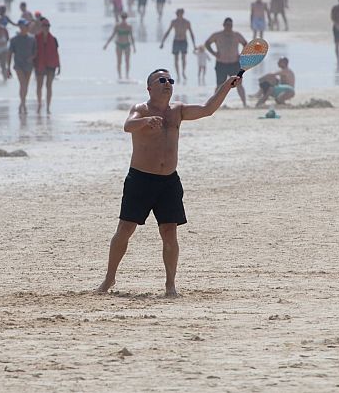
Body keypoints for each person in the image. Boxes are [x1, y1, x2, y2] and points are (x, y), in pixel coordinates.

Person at [96, 69, 241, 297]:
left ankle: (170, 285)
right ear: (149, 88)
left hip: (169, 182)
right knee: (125, 229)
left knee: (169, 232)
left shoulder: (178, 110)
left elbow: (207, 110)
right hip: (141, 179)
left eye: (170, 80)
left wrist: (226, 86)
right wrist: (145, 121)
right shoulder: (140, 110)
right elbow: (127, 126)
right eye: (161, 80)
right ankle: (109, 278)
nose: (167, 84)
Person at [204, 17, 248, 106]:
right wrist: (214, 53)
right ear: (224, 25)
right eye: (227, 25)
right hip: (221, 63)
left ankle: (244, 103)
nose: (229, 27)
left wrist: (241, 55)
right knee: (219, 85)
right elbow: (207, 43)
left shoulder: (236, 35)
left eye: (230, 25)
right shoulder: (217, 35)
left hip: (234, 63)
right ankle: (214, 105)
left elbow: (245, 44)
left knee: (239, 84)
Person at [159, 8, 196, 83]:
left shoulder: (187, 22)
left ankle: (183, 72)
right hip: (176, 41)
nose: (179, 15)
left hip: (184, 41)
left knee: (183, 58)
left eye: (180, 13)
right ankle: (178, 74)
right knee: (176, 59)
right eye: (178, 14)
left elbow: (191, 33)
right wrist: (162, 42)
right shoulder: (174, 22)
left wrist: (194, 45)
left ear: (182, 14)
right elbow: (168, 31)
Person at [9, 19, 37, 114]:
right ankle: (23, 103)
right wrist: (7, 68)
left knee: (26, 85)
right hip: (18, 65)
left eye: (26, 26)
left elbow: (36, 52)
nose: (25, 28)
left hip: (29, 65)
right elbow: (10, 54)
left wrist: (32, 58)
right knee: (23, 83)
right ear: (20, 27)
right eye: (23, 26)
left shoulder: (32, 39)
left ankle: (23, 101)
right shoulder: (14, 40)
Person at [33, 18, 60, 114]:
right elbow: (33, 52)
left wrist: (59, 65)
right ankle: (40, 103)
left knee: (49, 86)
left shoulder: (53, 39)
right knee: (39, 85)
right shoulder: (36, 38)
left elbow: (56, 53)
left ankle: (48, 106)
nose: (46, 28)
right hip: (39, 64)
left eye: (48, 26)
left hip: (51, 64)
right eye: (44, 26)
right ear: (41, 27)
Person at [103, 12, 135, 80]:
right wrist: (106, 44)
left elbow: (131, 37)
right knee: (119, 61)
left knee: (127, 61)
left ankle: (127, 75)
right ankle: (119, 76)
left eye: (125, 18)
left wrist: (134, 47)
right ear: (121, 18)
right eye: (123, 18)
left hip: (127, 45)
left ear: (126, 18)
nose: (124, 20)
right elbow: (112, 35)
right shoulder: (117, 26)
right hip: (119, 45)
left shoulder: (129, 27)